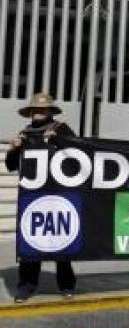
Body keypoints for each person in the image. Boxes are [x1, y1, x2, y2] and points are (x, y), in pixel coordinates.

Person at [6, 93, 78, 302]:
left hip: (59, 194)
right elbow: (11, 166)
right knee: (30, 244)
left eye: (42, 109)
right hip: (33, 197)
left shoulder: (61, 129)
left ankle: (67, 285)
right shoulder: (24, 133)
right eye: (35, 109)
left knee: (61, 242)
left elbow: (77, 156)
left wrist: (60, 141)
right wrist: (13, 149)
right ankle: (26, 287)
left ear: (49, 111)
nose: (38, 112)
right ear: (30, 112)